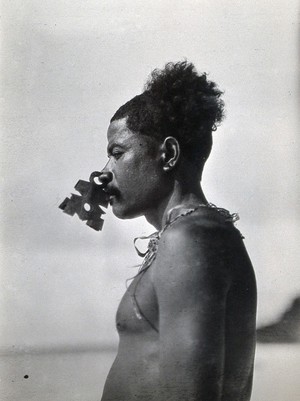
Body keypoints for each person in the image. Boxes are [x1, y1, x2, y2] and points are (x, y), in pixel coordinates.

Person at [99, 61, 257, 401]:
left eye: (117, 153)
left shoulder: (190, 240)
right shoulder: (196, 234)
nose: (103, 173)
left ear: (168, 154)